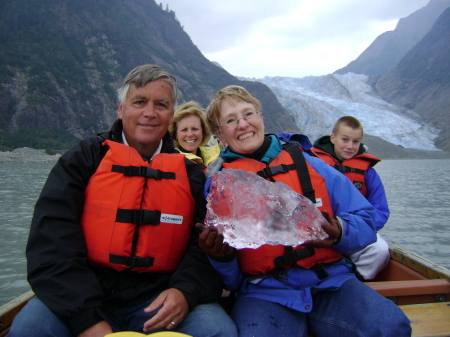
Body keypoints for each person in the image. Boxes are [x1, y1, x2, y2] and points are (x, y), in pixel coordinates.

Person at [8, 64, 237, 337]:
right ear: (120, 109)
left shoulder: (192, 175)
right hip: (85, 294)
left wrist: (184, 292)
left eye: (161, 104)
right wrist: (85, 319)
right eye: (139, 102)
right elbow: (51, 243)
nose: (149, 113)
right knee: (28, 329)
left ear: (171, 114)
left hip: (160, 297)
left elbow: (204, 250)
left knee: (218, 331)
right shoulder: (84, 159)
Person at [196, 85, 411, 337]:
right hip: (264, 292)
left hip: (331, 282)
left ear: (261, 118)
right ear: (219, 134)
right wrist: (221, 257)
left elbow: (366, 219)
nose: (243, 124)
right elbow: (231, 281)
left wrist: (341, 231)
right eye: (231, 120)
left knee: (391, 326)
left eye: (248, 114)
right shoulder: (217, 184)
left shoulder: (309, 162)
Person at [311, 116, 390, 280]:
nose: (350, 146)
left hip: (355, 230)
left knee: (381, 250)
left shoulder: (367, 172)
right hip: (319, 229)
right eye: (345, 140)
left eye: (355, 141)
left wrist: (357, 231)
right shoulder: (312, 164)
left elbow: (380, 210)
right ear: (333, 138)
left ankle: (354, 279)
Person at [169, 101, 220, 167]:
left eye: (195, 129)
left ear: (203, 131)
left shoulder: (216, 154)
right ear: (176, 134)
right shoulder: (171, 163)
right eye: (184, 130)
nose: (190, 134)